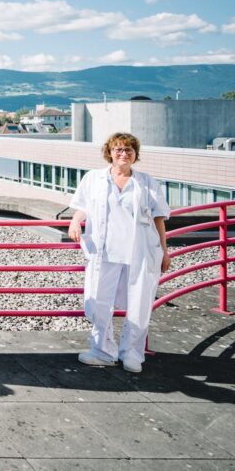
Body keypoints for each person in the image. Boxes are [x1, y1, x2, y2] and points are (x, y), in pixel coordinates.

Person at [68, 132, 170, 373]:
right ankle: (102, 351)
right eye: (118, 149)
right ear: (110, 153)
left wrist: (164, 251)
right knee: (98, 303)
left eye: (128, 150)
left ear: (135, 155)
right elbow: (83, 206)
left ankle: (132, 354)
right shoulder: (94, 178)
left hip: (140, 252)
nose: (123, 154)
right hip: (104, 252)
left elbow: (158, 218)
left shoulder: (145, 182)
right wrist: (74, 222)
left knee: (139, 304)